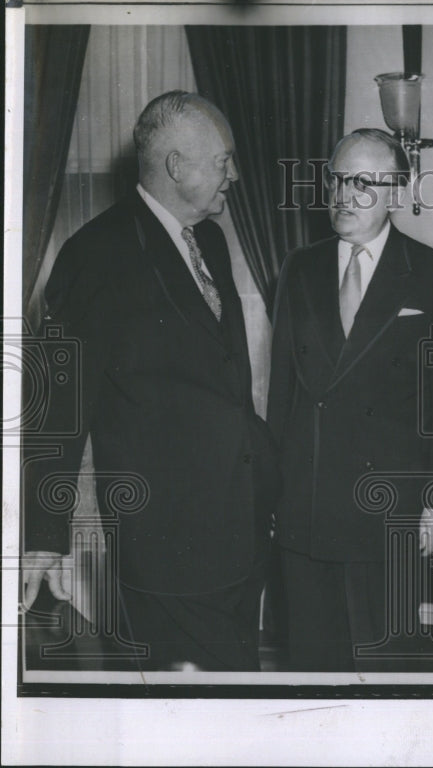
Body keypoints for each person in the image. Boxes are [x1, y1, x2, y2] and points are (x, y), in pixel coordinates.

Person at [21, 91, 279, 671]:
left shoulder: (210, 240)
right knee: (186, 702)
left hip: (240, 530)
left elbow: (223, 383)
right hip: (168, 547)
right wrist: (44, 537)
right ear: (176, 166)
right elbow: (60, 406)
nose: (235, 176)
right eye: (223, 161)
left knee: (236, 688)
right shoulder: (96, 253)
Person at [267, 129, 433, 671]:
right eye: (337, 180)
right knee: (313, 667)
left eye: (363, 183)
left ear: (398, 193)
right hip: (307, 504)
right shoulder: (299, 267)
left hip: (391, 510)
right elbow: (282, 393)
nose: (343, 195)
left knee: (385, 667)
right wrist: (271, 493)